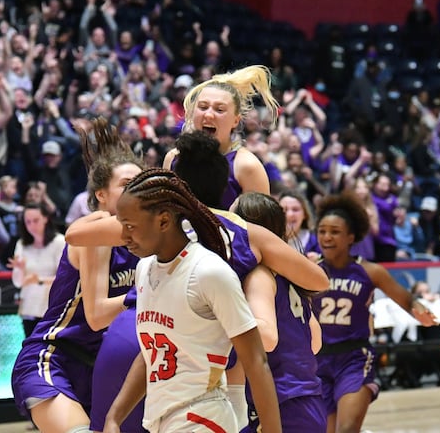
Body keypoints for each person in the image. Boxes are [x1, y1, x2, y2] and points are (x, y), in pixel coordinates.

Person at [67, 130, 331, 432]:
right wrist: (267, 268)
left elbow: (74, 235)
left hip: (146, 350)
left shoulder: (156, 228)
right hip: (196, 367)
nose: (126, 235)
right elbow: (318, 280)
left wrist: (110, 209)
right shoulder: (246, 233)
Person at [104, 168, 282, 433]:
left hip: (203, 416)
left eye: (130, 226)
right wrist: (114, 417)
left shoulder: (208, 272)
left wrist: (272, 429)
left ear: (164, 221)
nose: (124, 236)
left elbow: (256, 360)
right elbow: (153, 350)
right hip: (164, 418)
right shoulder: (144, 269)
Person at [11, 118, 144, 433]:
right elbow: (97, 317)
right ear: (101, 195)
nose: (138, 191)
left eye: (143, 183)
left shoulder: (143, 241)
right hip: (54, 355)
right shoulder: (96, 229)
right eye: (127, 184)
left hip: (98, 367)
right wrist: (144, 291)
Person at [312, 191, 436, 433]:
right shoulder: (309, 269)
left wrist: (418, 308)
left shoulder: (370, 271)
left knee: (346, 430)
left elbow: (405, 297)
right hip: (318, 360)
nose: (326, 237)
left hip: (354, 358)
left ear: (351, 237)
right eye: (322, 231)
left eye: (334, 232)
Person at [232, 192, 326, 432]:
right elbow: (315, 343)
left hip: (283, 400)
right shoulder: (292, 275)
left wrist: (223, 317)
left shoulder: (260, 276)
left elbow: (268, 338)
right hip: (309, 399)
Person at [163, 65, 279, 208]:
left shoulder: (247, 166)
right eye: (203, 107)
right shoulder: (173, 158)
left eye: (219, 109)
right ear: (192, 113)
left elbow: (263, 228)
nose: (209, 114)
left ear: (236, 120)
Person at [7, 203, 66, 337]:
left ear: (46, 218)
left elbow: (64, 277)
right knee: (30, 347)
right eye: (28, 222)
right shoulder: (22, 244)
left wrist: (39, 280)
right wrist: (20, 269)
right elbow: (18, 282)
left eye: (35, 220)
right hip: (29, 307)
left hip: (52, 307)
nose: (32, 225)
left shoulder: (59, 242)